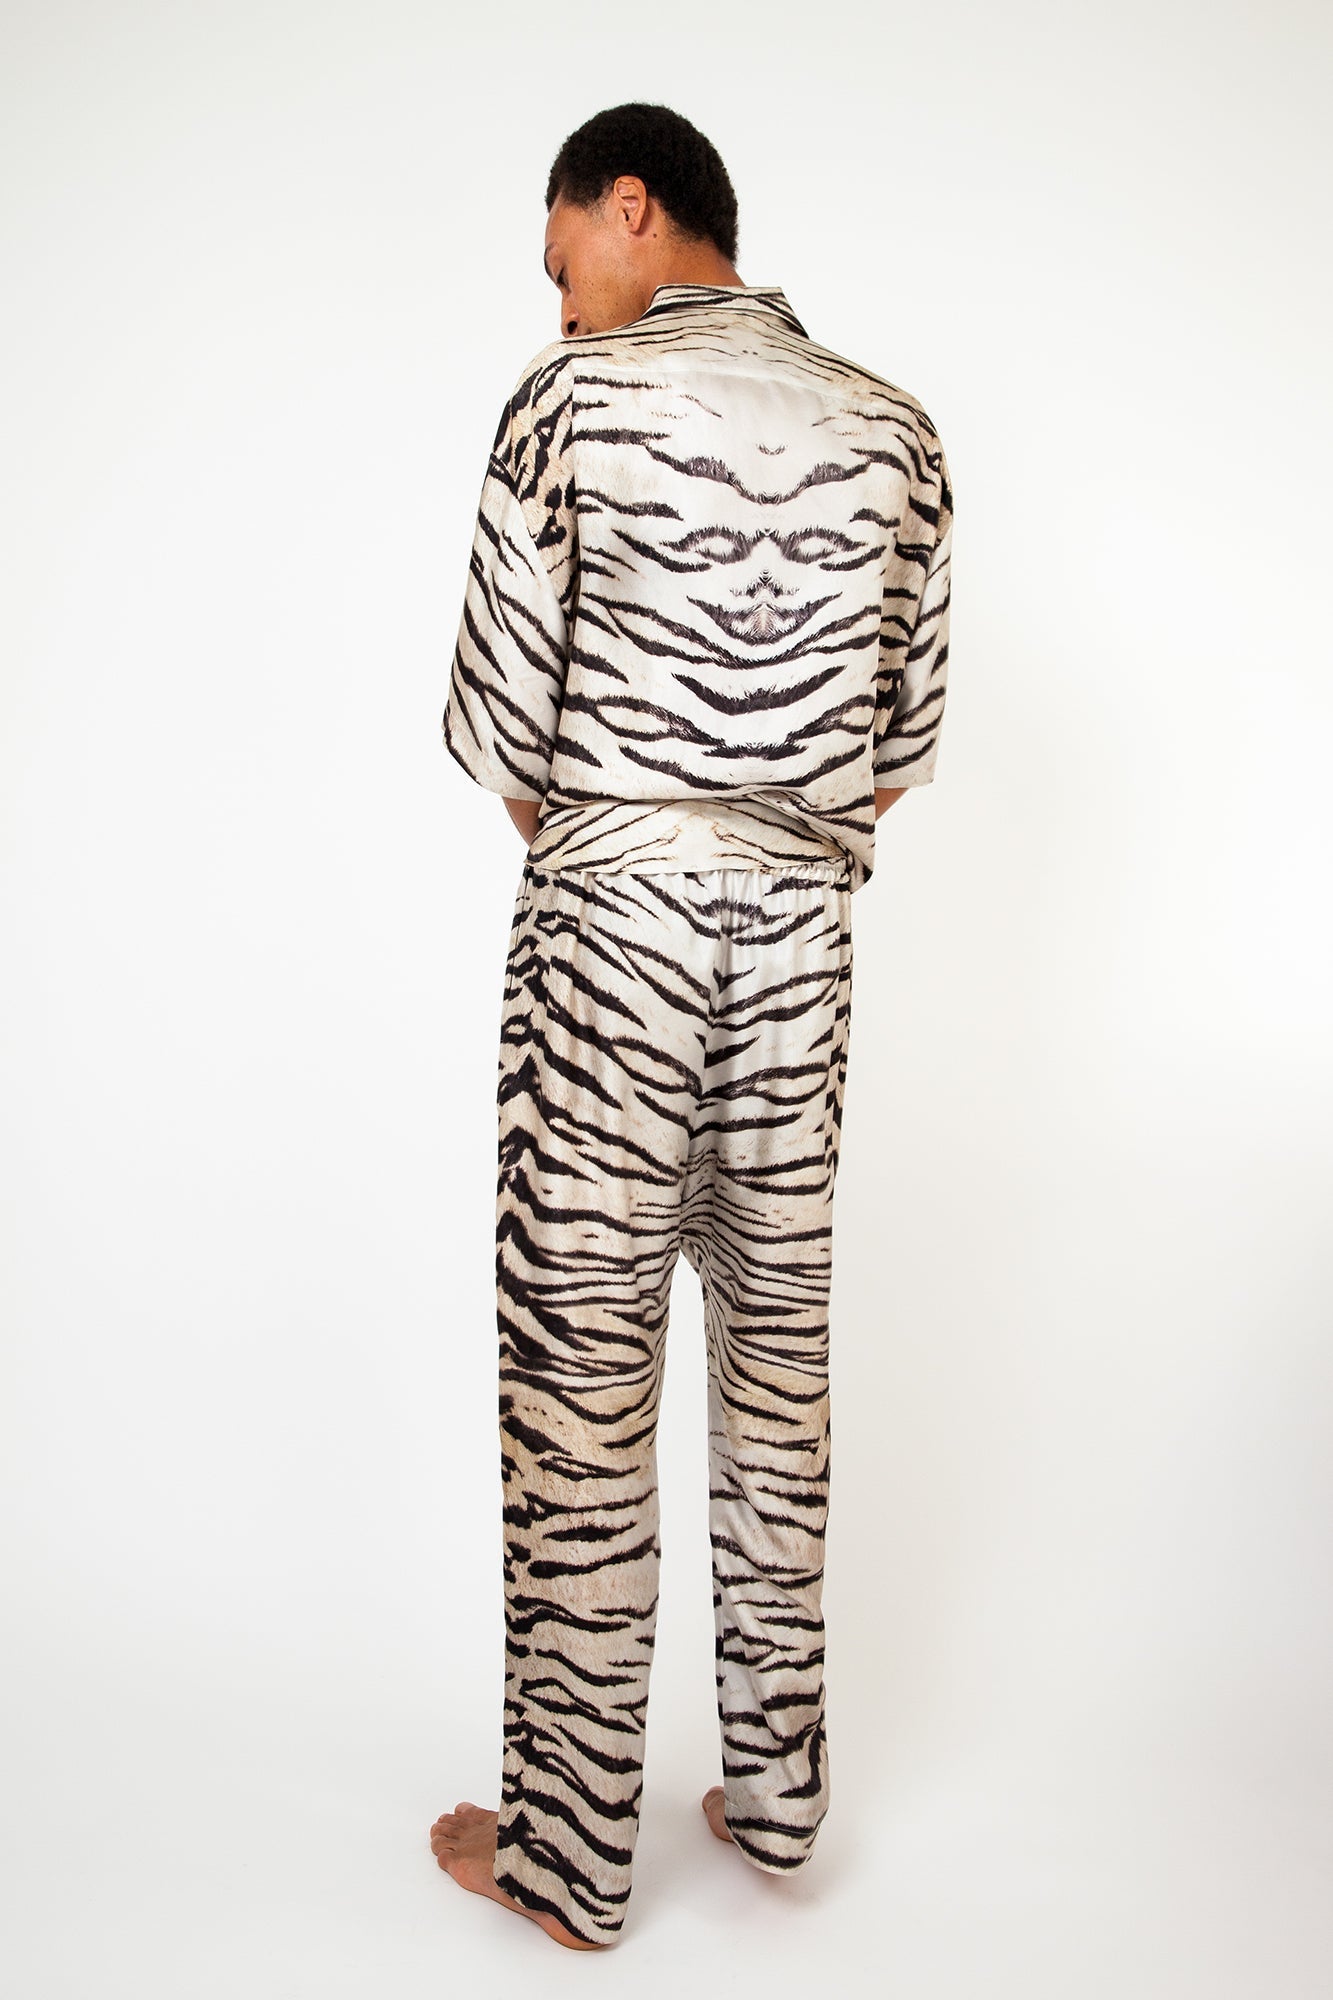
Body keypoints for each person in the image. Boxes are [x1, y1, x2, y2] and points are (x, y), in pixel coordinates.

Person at [429, 100, 952, 1951]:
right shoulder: (897, 430)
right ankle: (780, 1801)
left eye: (560, 250)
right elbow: (891, 757)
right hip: (801, 947)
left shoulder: (568, 406)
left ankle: (572, 1860)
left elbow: (503, 734)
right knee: (773, 1368)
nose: (557, 293)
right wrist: (762, 845)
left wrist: (631, 846)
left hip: (612, 931)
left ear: (632, 204)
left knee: (580, 1378)